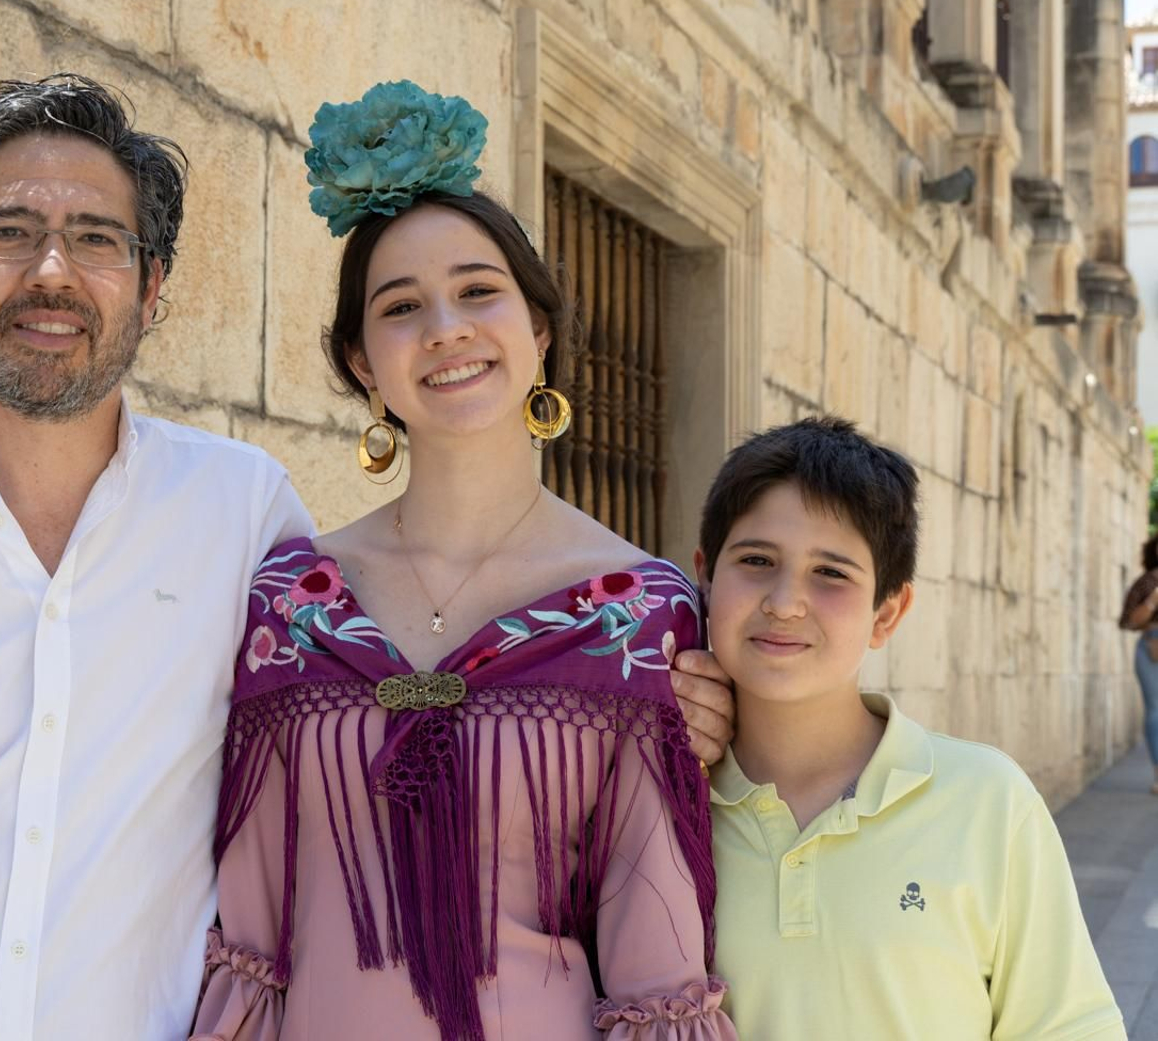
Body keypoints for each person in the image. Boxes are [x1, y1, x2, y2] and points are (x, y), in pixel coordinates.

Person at [0, 75, 737, 1040]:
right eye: (10, 230)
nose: (52, 270)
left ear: (150, 290)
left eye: (97, 237)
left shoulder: (243, 520)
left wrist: (695, 707)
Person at [192, 81, 737, 1041]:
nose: (446, 327)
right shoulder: (290, 604)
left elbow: (655, 943)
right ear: (363, 361)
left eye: (479, 290)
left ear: (540, 330)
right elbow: (254, 928)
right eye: (401, 306)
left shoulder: (646, 616)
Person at [694, 418, 1124, 1039]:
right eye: (757, 560)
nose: (785, 602)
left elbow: (1069, 1026)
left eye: (831, 573)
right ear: (705, 576)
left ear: (887, 612)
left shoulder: (987, 802)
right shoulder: (659, 802)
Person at [1117, 534, 1158, 794]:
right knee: (1155, 711)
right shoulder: (1147, 582)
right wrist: (1153, 600)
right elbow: (1127, 622)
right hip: (1151, 646)